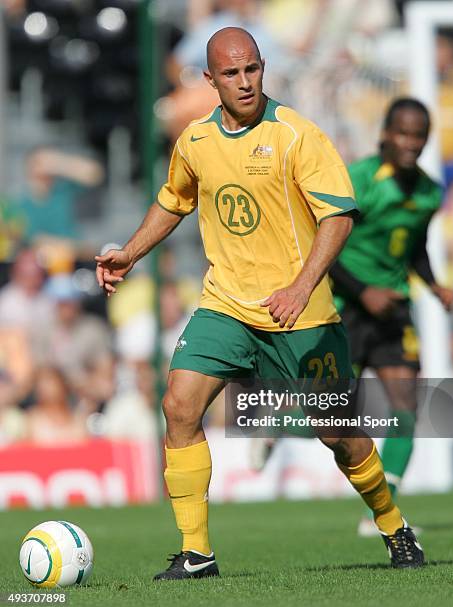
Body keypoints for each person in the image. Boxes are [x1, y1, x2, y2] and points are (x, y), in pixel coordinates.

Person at [95, 28, 424, 579]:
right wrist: (129, 253)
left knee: (338, 434)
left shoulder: (297, 135)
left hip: (299, 313)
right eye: (231, 73)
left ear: (263, 68)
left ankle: (393, 526)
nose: (244, 82)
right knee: (178, 406)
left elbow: (338, 215)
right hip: (226, 303)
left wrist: (301, 286)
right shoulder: (196, 141)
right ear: (210, 80)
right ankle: (197, 552)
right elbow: (173, 200)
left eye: (252, 69)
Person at [330, 97, 453, 536]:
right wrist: (363, 291)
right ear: (384, 132)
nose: (410, 143)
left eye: (418, 135)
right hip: (346, 305)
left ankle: (380, 514)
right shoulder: (358, 180)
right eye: (402, 133)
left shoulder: (429, 192)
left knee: (406, 405)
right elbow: (324, 245)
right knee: (331, 412)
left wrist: (434, 284)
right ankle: (275, 427)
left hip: (394, 310)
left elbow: (412, 245)